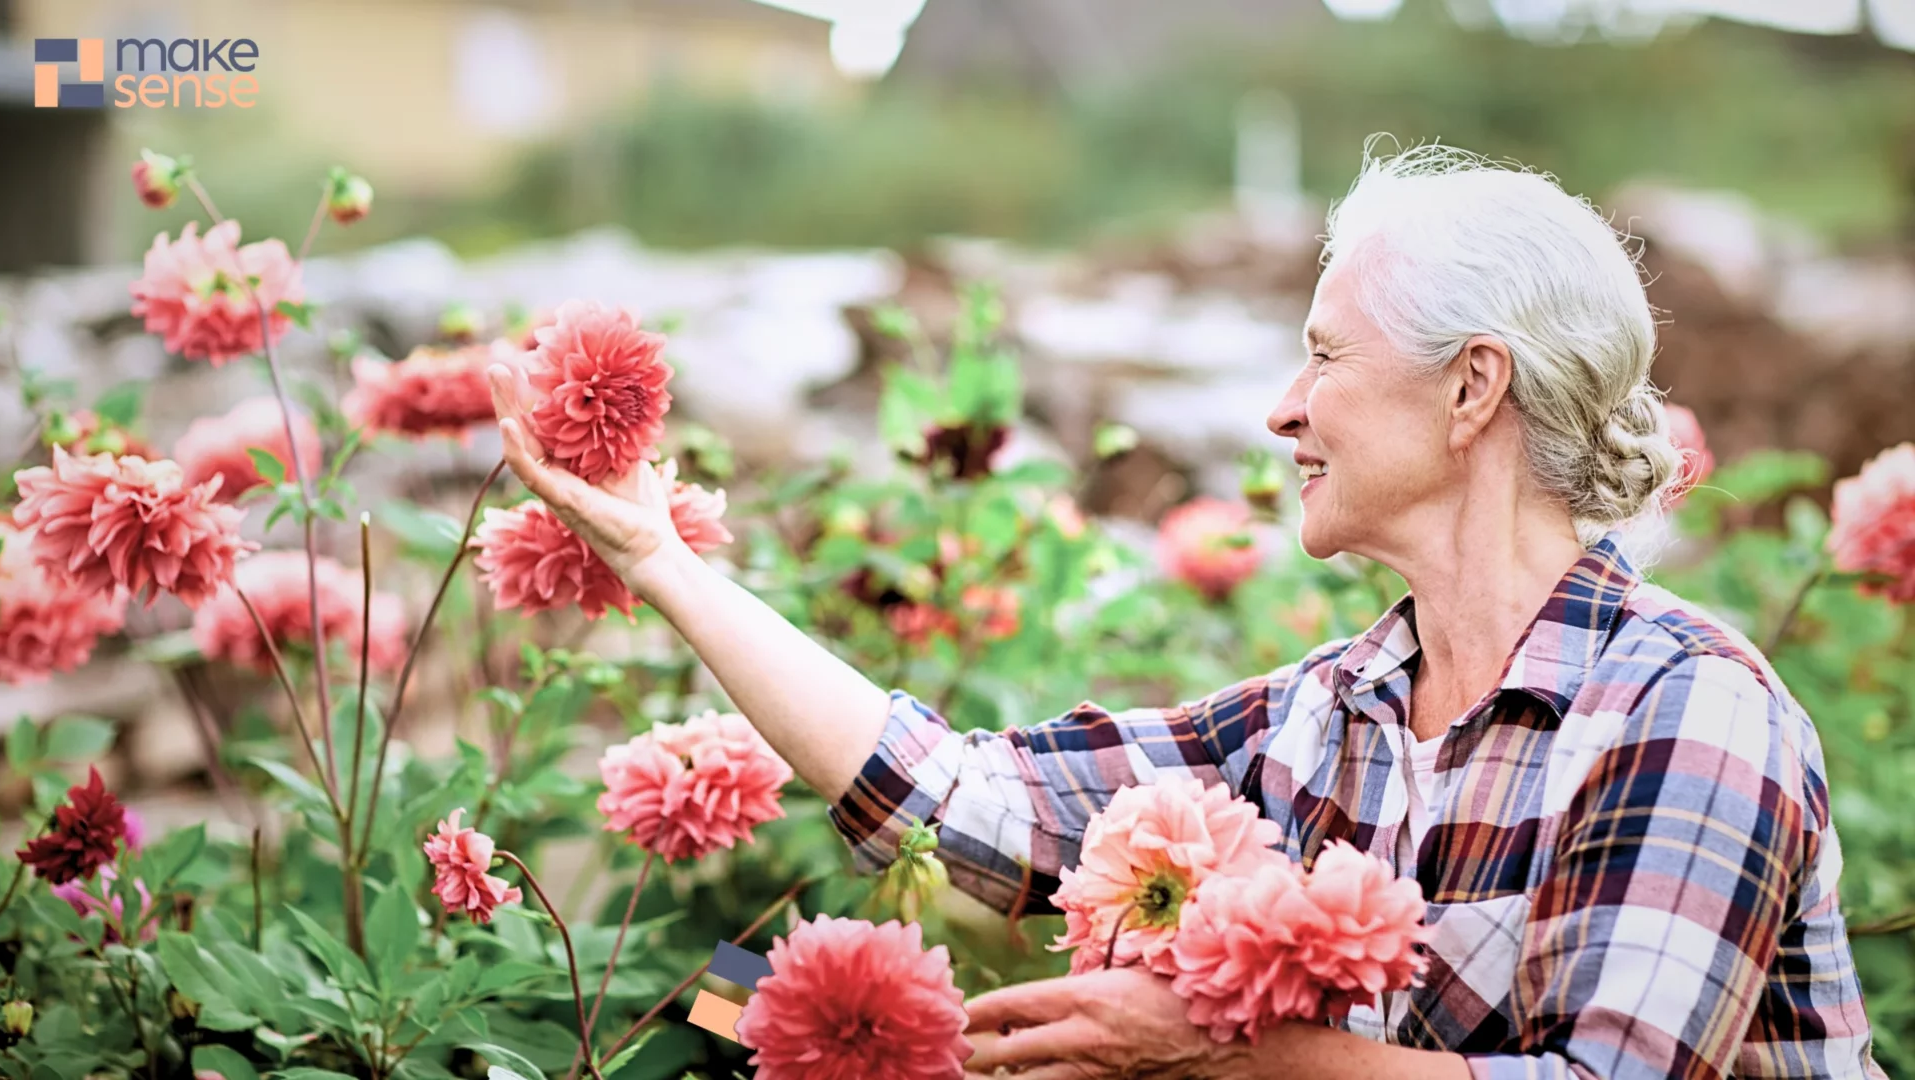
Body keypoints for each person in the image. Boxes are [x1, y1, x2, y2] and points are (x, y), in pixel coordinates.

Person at [486, 145, 1886, 1079]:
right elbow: (966, 806)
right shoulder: (1332, 716)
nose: (1281, 408)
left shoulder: (1689, 709)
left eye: (1325, 357)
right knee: (734, 1000)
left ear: (1472, 392)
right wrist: (661, 558)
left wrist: (1212, 1047)